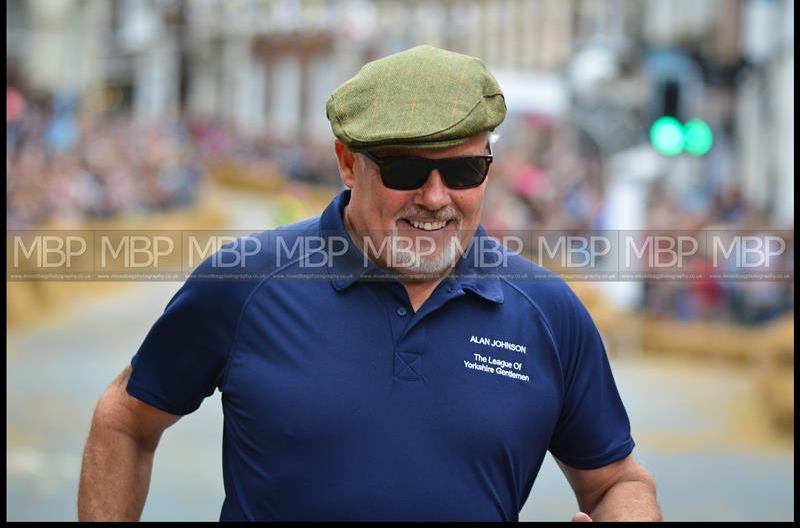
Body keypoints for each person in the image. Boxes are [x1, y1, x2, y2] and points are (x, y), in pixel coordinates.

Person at [78, 45, 661, 522]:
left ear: (489, 165)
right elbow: (125, 421)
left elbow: (617, 481)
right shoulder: (247, 283)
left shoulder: (548, 312)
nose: (435, 198)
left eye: (462, 171)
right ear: (347, 162)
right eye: (406, 171)